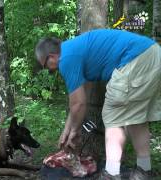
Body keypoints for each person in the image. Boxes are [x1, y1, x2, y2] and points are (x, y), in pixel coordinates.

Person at [35, 29, 161, 180]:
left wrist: (75, 131)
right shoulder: (75, 50)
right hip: (153, 54)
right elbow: (81, 99)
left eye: (45, 65)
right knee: (136, 120)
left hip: (135, 60)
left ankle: (112, 174)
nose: (49, 70)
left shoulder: (66, 59)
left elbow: (78, 103)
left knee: (113, 117)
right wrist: (67, 130)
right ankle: (144, 170)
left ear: (51, 57)